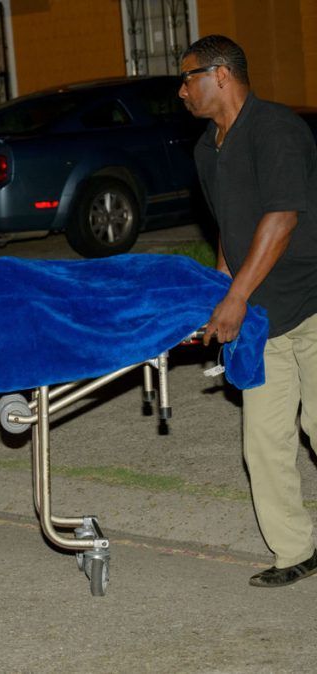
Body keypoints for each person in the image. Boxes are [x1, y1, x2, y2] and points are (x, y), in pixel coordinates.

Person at [181, 35, 317, 587]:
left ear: (221, 75)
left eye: (188, 77)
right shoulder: (205, 150)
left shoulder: (276, 129)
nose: (182, 90)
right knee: (264, 442)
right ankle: (296, 551)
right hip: (259, 321)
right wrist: (219, 290)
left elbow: (281, 217)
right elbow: (229, 229)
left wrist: (236, 296)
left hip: (309, 304)